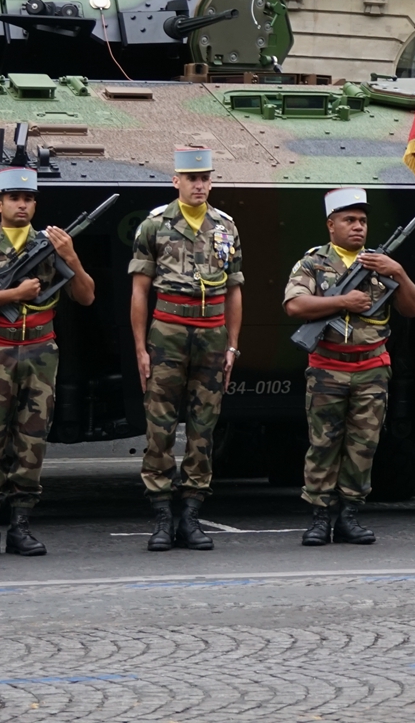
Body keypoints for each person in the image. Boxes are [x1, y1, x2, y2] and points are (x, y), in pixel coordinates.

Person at [0, 167, 97, 558]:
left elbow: (85, 296)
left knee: (31, 440)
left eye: (29, 199)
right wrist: (14, 292)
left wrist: (71, 257)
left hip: (40, 353)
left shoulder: (48, 244)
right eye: (14, 198)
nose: (22, 204)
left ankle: (20, 525)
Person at [285, 187, 415, 547]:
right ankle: (319, 518)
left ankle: (349, 515)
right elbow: (295, 306)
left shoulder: (379, 265)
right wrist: (343, 301)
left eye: (362, 221)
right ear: (331, 225)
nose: (358, 227)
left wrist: (399, 272)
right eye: (349, 220)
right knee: (323, 444)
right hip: (327, 367)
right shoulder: (313, 263)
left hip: (371, 369)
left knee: (363, 444)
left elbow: (413, 308)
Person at [130, 145, 244, 552]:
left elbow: (234, 290)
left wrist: (232, 346)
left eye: (205, 178)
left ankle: (191, 516)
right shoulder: (155, 226)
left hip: (212, 334)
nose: (200, 185)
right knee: (159, 426)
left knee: (203, 428)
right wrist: (141, 348)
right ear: (176, 181)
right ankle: (161, 517)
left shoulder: (225, 227)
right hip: (169, 332)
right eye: (192, 179)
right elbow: (140, 290)